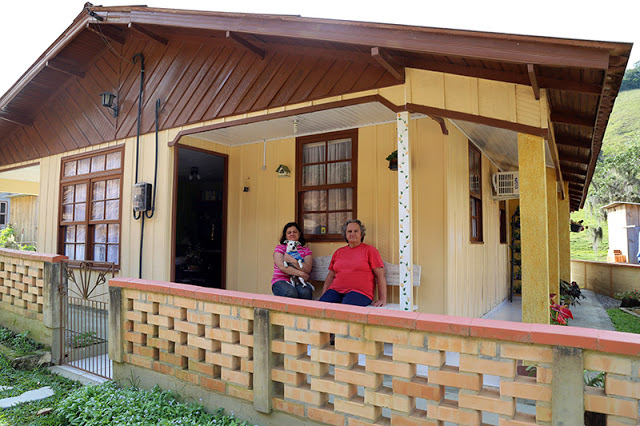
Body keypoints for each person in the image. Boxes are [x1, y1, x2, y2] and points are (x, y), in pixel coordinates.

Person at [319, 220, 387, 307]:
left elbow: (380, 275)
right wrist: (323, 295)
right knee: (321, 306)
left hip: (361, 293)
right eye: (349, 231)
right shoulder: (339, 252)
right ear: (346, 235)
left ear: (361, 234)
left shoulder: (370, 250)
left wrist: (382, 299)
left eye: (356, 231)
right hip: (336, 290)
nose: (352, 234)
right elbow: (331, 275)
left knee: (346, 307)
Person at [271, 222, 313, 299]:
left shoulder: (306, 250)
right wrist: (301, 274)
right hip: (281, 280)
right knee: (291, 292)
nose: (292, 234)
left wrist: (293, 260)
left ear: (299, 234)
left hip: (298, 281)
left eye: (295, 232)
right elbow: (282, 267)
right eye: (289, 232)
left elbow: (307, 269)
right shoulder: (280, 248)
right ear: (285, 235)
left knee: (305, 292)